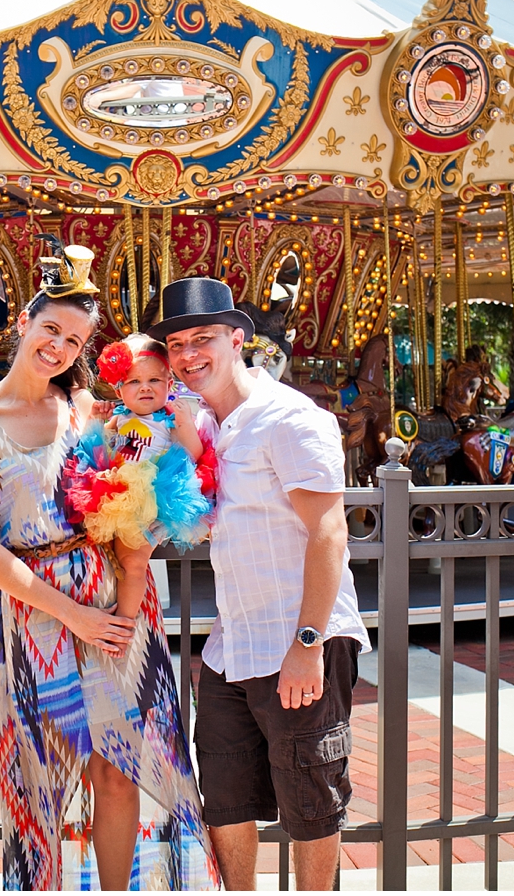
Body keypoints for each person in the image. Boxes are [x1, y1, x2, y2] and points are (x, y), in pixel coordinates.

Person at [0, 244, 218, 892]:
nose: (60, 347)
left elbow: (146, 467)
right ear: (23, 323)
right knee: (40, 776)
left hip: (114, 601)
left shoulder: (86, 407)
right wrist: (71, 613)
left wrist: (148, 539)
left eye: (74, 339)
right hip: (39, 616)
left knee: (118, 769)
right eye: (51, 330)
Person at [149, 276, 370, 892]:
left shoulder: (290, 418)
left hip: (297, 639)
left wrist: (307, 644)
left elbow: (329, 533)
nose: (189, 355)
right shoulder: (208, 426)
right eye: (176, 345)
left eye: (203, 338)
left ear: (238, 338)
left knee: (311, 796)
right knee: (224, 794)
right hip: (231, 645)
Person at [68, 333, 213, 619]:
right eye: (134, 381)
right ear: (119, 389)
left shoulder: (168, 418)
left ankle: (125, 620)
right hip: (117, 491)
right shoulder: (119, 417)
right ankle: (113, 608)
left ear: (169, 385)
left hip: (152, 496)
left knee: (133, 561)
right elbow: (92, 448)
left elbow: (193, 453)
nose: (145, 388)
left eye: (154, 381)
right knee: (109, 557)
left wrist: (184, 423)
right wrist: (95, 420)